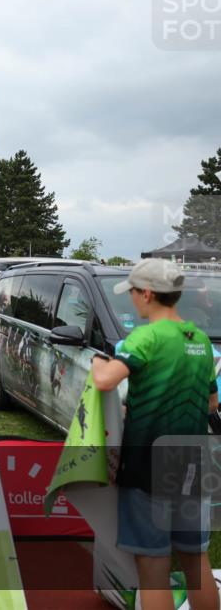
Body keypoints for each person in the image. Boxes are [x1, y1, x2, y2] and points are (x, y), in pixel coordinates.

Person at [91, 259, 219, 610]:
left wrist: (97, 364)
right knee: (196, 561)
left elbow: (105, 380)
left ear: (147, 293)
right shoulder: (200, 340)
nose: (132, 299)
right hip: (192, 463)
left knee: (152, 566)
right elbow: (211, 403)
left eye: (132, 292)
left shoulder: (145, 336)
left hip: (147, 463)